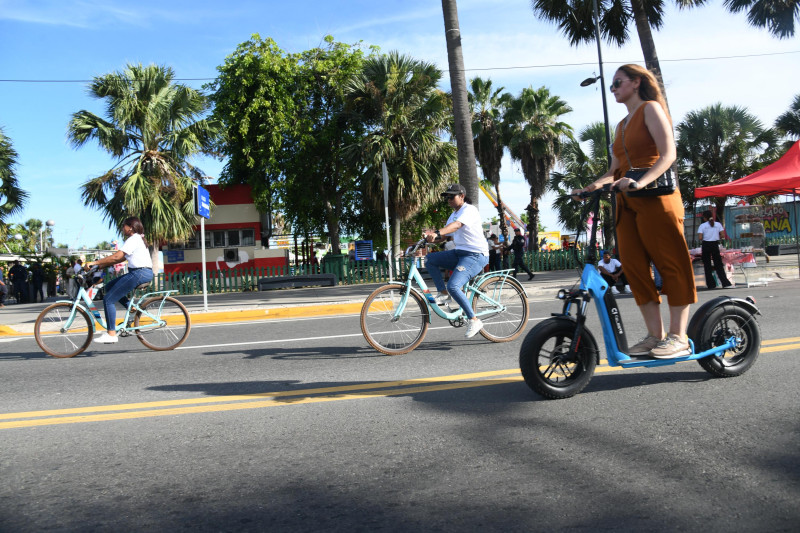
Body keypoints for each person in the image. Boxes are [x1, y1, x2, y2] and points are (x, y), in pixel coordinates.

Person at [572, 64, 696, 359]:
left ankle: (679, 337)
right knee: (634, 266)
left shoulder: (651, 109)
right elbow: (614, 172)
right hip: (626, 201)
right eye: (612, 85)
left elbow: (668, 154)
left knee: (671, 263)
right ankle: (656, 336)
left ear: (636, 82)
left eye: (618, 82)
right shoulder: (621, 125)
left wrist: (640, 181)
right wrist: (588, 188)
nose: (613, 88)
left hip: (656, 197)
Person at [423, 183, 490, 339]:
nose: (449, 200)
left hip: (475, 255)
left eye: (451, 196)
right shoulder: (453, 215)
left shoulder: (469, 210)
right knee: (430, 259)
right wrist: (428, 239)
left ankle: (474, 320)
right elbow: (445, 236)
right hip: (460, 253)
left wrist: (437, 232)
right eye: (447, 197)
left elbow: (456, 226)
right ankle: (443, 293)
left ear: (462, 196)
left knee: (454, 285)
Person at [86, 217, 154, 344]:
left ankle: (111, 334)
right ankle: (132, 308)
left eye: (124, 226)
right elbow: (120, 259)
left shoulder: (133, 239)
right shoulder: (137, 239)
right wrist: (99, 265)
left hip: (139, 273)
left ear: (130, 227)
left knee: (108, 299)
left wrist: (95, 262)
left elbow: (117, 256)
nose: (122, 228)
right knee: (109, 287)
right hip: (140, 272)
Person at [698, 210, 732, 289]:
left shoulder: (702, 226)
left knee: (707, 265)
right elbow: (722, 235)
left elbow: (700, 237)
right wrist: (715, 236)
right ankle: (725, 283)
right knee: (718, 264)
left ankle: (711, 284)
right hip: (715, 244)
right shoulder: (718, 224)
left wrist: (706, 237)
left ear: (705, 218)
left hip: (706, 245)